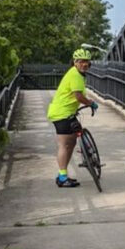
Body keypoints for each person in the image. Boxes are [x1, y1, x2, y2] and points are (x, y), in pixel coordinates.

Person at [47, 48, 99, 188]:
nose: (84, 64)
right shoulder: (75, 75)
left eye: (87, 62)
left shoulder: (78, 74)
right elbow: (78, 96)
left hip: (67, 112)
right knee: (64, 144)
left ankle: (63, 174)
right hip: (61, 113)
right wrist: (91, 103)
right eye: (81, 61)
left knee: (72, 141)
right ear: (75, 62)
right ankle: (62, 177)